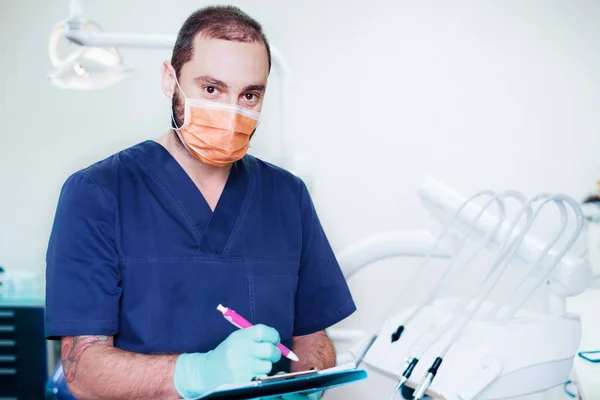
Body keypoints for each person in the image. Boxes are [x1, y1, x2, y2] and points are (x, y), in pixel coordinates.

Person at [44, 5, 356, 400]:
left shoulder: (287, 197)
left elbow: (313, 336)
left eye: (249, 95)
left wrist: (305, 381)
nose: (230, 112)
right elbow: (83, 371)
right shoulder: (96, 193)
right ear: (169, 80)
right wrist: (198, 372)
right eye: (212, 89)